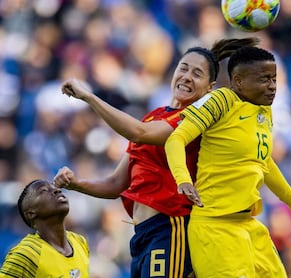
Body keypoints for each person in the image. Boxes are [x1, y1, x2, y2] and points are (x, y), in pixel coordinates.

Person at [53, 38, 259, 278]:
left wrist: (89, 97)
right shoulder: (153, 117)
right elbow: (116, 184)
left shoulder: (194, 120)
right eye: (183, 68)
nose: (187, 77)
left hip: (170, 228)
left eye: (197, 73)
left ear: (209, 87)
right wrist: (76, 184)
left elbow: (138, 134)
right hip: (142, 235)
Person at [164, 45, 291, 277]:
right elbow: (176, 139)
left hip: (249, 225)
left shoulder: (264, 113)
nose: (272, 87)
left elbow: (265, 166)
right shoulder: (221, 100)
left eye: (274, 79)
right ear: (238, 81)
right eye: (264, 80)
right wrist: (183, 179)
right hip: (215, 228)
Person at [0, 179, 89, 277]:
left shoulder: (80, 241)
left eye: (55, 188)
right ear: (31, 213)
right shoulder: (27, 253)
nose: (57, 190)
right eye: (44, 190)